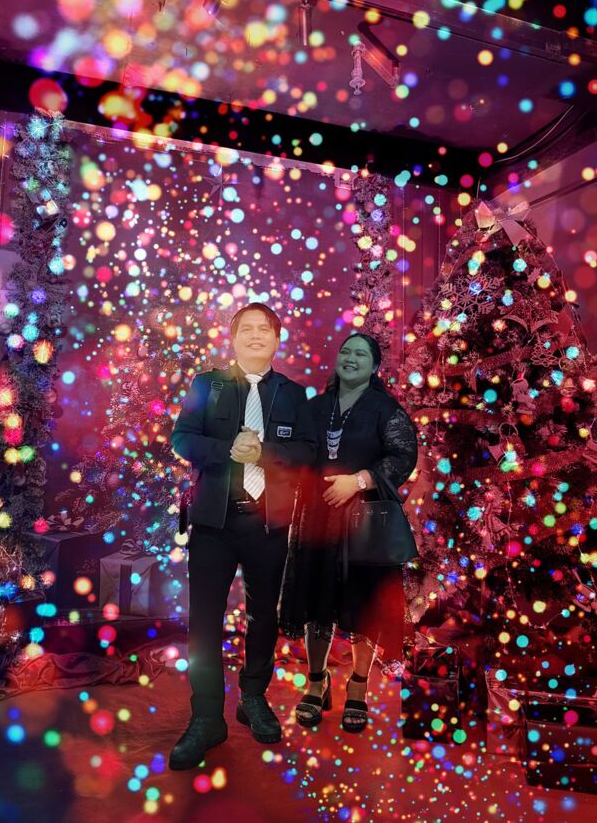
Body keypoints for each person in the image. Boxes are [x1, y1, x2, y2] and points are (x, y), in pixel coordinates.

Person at [169, 303, 316, 769]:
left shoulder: (294, 394)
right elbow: (181, 438)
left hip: (268, 523)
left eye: (264, 329)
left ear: (277, 339)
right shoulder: (207, 385)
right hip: (213, 524)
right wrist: (226, 449)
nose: (255, 336)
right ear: (232, 339)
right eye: (246, 329)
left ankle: (253, 697)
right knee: (204, 622)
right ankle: (206, 716)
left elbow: (307, 452)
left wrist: (264, 453)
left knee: (263, 616)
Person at [279, 333, 418, 733]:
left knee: (361, 606)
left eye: (360, 353)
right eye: (345, 351)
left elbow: (403, 455)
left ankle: (358, 687)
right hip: (316, 519)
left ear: (374, 366)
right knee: (316, 600)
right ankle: (316, 682)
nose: (350, 358)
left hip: (364, 522)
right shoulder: (315, 408)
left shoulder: (385, 409)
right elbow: (297, 454)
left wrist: (357, 481)